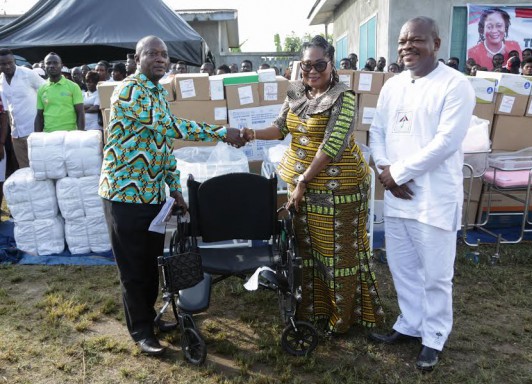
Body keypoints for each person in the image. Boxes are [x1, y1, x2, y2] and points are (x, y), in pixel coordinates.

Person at [99, 35, 245, 356]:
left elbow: (165, 147)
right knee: (134, 269)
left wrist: (174, 188)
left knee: (152, 265)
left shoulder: (159, 93)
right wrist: (222, 132)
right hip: (124, 197)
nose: (160, 58)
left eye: (164, 54)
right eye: (152, 53)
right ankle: (140, 330)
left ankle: (150, 319)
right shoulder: (130, 91)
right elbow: (171, 127)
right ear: (137, 59)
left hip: (152, 199)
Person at [242, 35, 383, 336]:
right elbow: (280, 128)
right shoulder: (295, 92)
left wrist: (303, 181)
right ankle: (314, 309)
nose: (313, 71)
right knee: (307, 252)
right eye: (307, 65)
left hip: (338, 190)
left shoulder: (344, 97)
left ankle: (342, 319)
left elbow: (332, 144)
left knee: (337, 255)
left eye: (320, 64)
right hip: (301, 187)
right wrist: (249, 132)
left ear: (332, 64)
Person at [368, 17, 475, 372]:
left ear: (437, 44)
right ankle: (411, 324)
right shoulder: (392, 86)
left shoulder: (455, 85)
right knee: (403, 268)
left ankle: (434, 337)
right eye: (402, 41)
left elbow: (445, 143)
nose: (407, 46)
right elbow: (377, 130)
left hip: (434, 198)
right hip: (397, 196)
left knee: (436, 275)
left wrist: (397, 173)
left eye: (416, 40)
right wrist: (386, 172)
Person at [0, 48, 46, 168]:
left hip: (34, 130)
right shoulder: (1, 80)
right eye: (3, 64)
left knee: (39, 167)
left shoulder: (27, 74)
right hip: (16, 135)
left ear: (14, 61)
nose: (8, 66)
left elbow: (46, 90)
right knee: (24, 170)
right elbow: (6, 109)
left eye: (10, 63)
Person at [35, 52, 85, 132]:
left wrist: (80, 134)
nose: (52, 66)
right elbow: (39, 116)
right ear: (44, 67)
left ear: (61, 66)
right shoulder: (41, 89)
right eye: (48, 63)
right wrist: (37, 136)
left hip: (70, 135)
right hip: (49, 135)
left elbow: (80, 113)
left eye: (55, 63)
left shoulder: (73, 87)